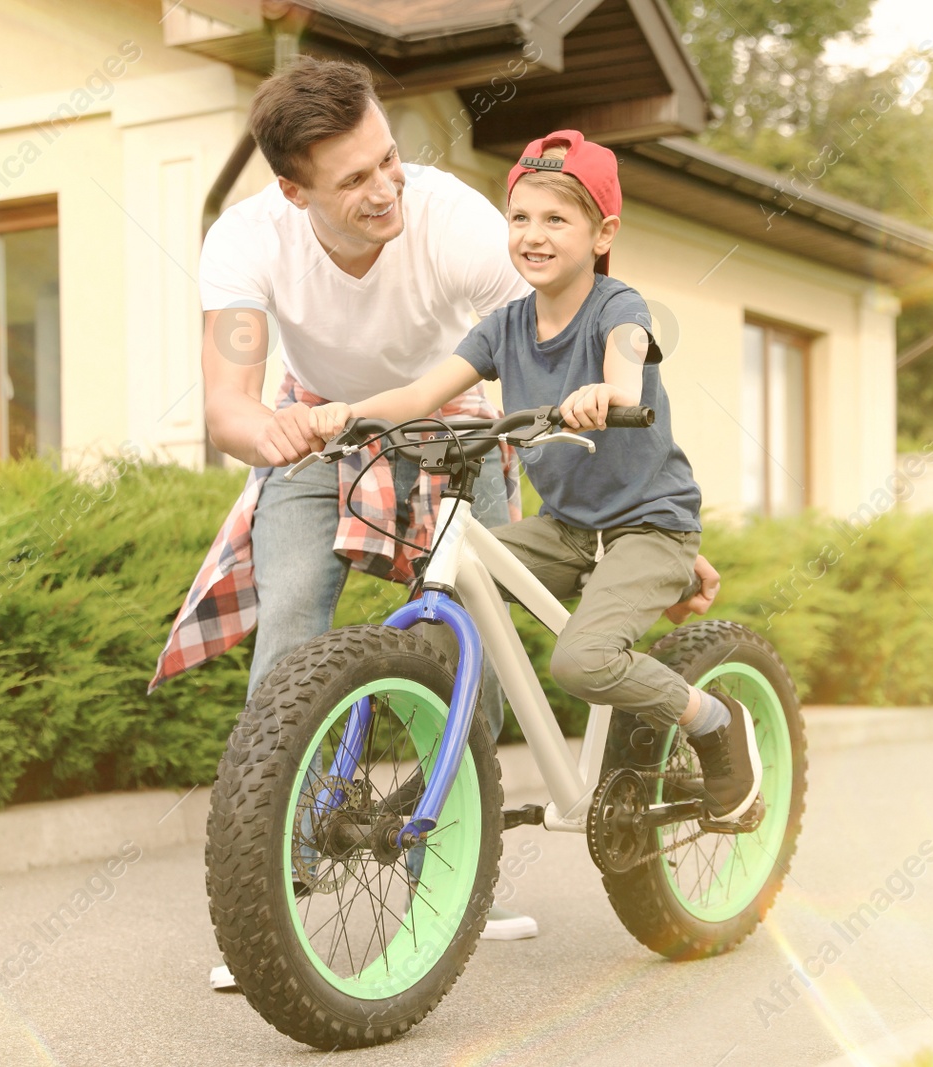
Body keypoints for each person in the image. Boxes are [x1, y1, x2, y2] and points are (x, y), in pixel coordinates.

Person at [147, 59, 723, 986]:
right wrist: (276, 427)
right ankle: (278, 895)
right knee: (292, 625)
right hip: (326, 422)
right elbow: (229, 407)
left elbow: (583, 319)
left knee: (478, 651)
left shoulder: (456, 221)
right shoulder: (245, 240)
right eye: (353, 180)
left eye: (387, 160)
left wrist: (651, 534)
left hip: (457, 422)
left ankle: (451, 880)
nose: (385, 191)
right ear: (293, 191)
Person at [307, 130, 760, 822]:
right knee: (444, 592)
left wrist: (607, 394)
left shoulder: (617, 308)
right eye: (520, 217)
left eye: (556, 219)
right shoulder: (503, 326)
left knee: (581, 662)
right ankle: (442, 773)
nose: (533, 235)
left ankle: (712, 721)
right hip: (570, 529)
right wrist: (348, 415)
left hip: (649, 526)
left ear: (602, 230)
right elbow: (419, 394)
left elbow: (626, 357)